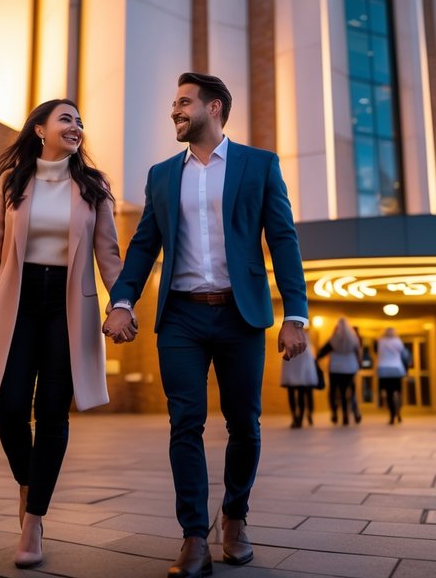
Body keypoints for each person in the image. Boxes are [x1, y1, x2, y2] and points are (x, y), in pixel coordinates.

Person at [101, 72, 308, 578]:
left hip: (241, 314)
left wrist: (295, 315)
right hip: (182, 316)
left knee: (245, 424)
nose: (175, 110)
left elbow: (283, 240)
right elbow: (145, 245)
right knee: (184, 423)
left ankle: (234, 517)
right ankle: (194, 536)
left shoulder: (259, 165)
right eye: (173, 102)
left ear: (214, 108)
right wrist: (122, 300)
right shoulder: (162, 174)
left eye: (184, 102)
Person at [0, 99, 124, 570]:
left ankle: (33, 520)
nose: (76, 126)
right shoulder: (11, 181)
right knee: (8, 406)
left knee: (52, 414)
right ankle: (29, 484)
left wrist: (121, 304)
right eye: (66, 118)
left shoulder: (93, 187)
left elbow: (109, 256)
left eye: (81, 121)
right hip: (15, 304)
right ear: (40, 129)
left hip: (69, 309)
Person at [318, 318, 362, 425]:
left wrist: (316, 359)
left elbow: (323, 351)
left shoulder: (334, 338)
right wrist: (359, 364)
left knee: (333, 391)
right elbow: (358, 353)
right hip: (350, 369)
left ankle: (334, 412)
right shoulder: (353, 338)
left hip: (335, 368)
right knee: (348, 392)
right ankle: (347, 414)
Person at [281, 339, 319, 428]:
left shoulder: (290, 337)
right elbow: (310, 358)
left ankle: (296, 418)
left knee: (293, 396)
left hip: (291, 370)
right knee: (301, 396)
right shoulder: (306, 341)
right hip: (301, 372)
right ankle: (299, 419)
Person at [375, 327, 410, 425]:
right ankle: (398, 413)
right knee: (398, 393)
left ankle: (391, 416)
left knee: (389, 394)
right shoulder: (398, 342)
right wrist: (406, 368)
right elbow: (405, 355)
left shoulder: (380, 342)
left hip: (384, 370)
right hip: (396, 369)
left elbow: (376, 353)